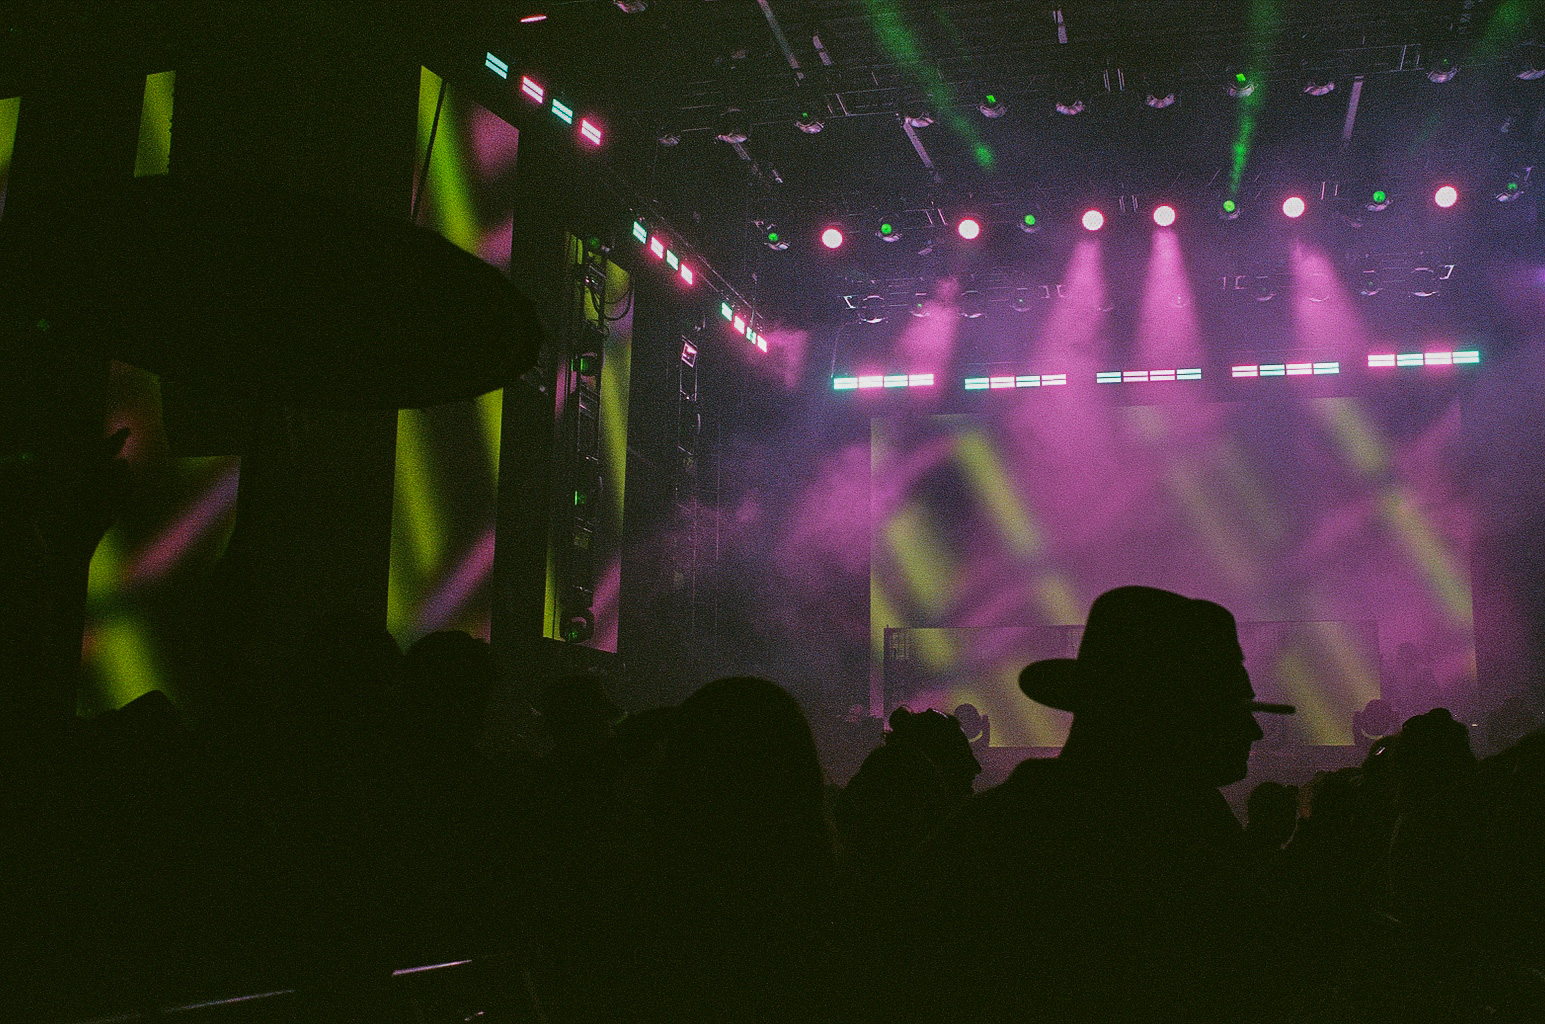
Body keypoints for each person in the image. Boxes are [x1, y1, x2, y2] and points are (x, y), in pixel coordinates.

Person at [883, 586, 1295, 1024]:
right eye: (1231, 708)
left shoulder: (987, 835)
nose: (1254, 731)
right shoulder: (1182, 846)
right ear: (1165, 714)